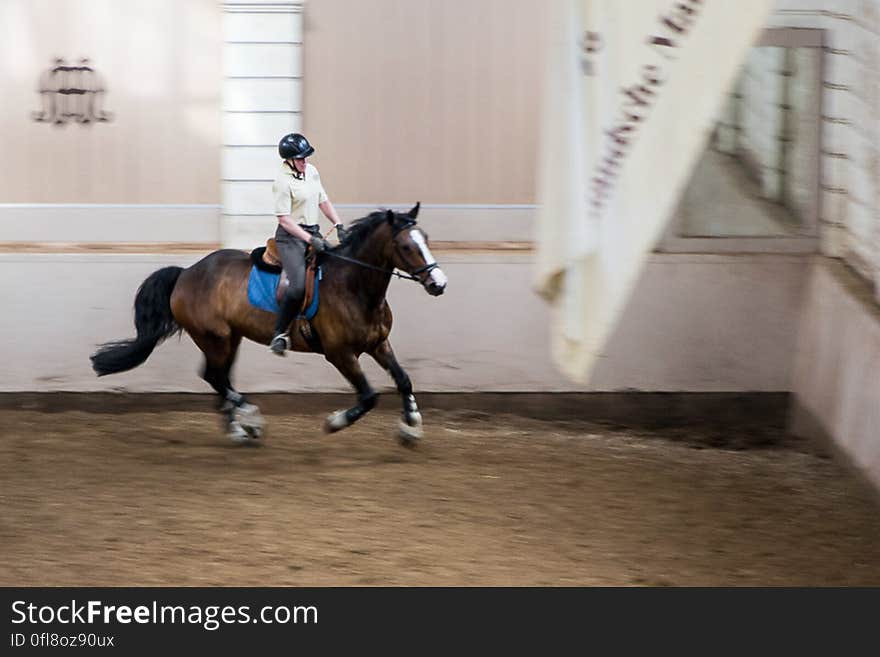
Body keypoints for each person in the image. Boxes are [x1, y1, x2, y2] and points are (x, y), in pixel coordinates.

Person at [269, 133, 347, 356]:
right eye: (301, 159)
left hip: (313, 231)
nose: (305, 162)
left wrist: (338, 223)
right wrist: (309, 239)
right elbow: (284, 219)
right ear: (290, 160)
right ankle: (280, 333)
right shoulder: (281, 182)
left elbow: (323, 200)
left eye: (306, 158)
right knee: (297, 286)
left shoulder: (311, 172)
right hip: (290, 237)